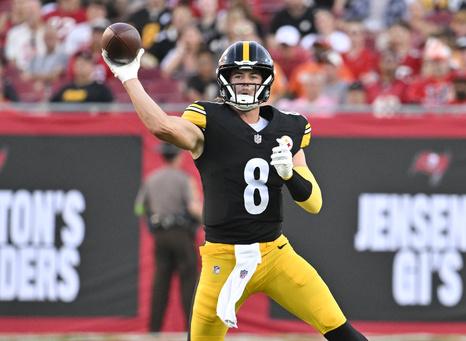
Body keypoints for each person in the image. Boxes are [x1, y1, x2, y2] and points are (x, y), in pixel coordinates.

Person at [102, 40, 368, 340]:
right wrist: (129, 77)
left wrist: (289, 174)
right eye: (237, 76)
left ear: (266, 80)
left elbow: (314, 203)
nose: (245, 83)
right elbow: (163, 127)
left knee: (341, 331)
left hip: (275, 256)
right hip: (223, 259)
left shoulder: (290, 126)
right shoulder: (207, 119)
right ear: (224, 80)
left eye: (253, 76)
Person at [134, 142, 202, 333]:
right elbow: (193, 208)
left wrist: (151, 220)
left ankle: (154, 331)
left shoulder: (151, 180)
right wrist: (209, 219)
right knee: (188, 283)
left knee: (160, 284)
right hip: (181, 235)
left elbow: (139, 207)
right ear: (179, 156)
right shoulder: (184, 180)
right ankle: (193, 331)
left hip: (160, 236)